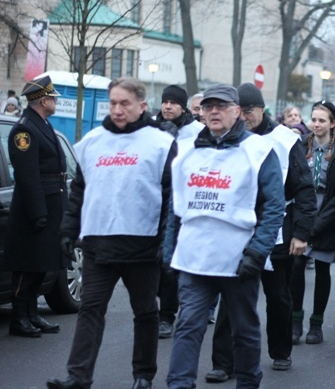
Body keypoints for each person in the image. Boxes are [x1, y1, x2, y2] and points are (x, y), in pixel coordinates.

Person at [46, 77, 177, 389]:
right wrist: (68, 230)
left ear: (142, 106)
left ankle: (143, 375)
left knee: (145, 313)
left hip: (143, 245)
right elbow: (79, 190)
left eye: (125, 104)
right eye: (113, 103)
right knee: (90, 311)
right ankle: (78, 377)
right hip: (98, 245)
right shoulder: (93, 141)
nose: (117, 110)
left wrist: (166, 240)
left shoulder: (160, 143)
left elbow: (173, 196)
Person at [166, 84, 285, 389]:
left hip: (238, 260)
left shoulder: (259, 151)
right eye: (208, 107)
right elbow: (175, 207)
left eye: (221, 106)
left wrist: (258, 252)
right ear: (202, 113)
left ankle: (247, 383)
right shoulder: (186, 152)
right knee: (188, 326)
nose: (214, 112)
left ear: (236, 112)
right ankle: (179, 384)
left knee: (244, 330)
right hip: (194, 259)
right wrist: (169, 251)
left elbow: (274, 206)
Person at [205, 82, 315, 382]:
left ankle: (280, 351)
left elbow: (304, 190)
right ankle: (223, 362)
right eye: (239, 111)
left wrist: (301, 233)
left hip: (277, 228)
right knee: (231, 298)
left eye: (249, 111)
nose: (244, 117)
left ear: (261, 109)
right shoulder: (227, 140)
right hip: (236, 229)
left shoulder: (284, 141)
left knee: (278, 295)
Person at [0, 76, 67, 338]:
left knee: (42, 264)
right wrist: (39, 211)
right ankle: (19, 317)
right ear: (43, 100)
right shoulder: (24, 130)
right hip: (35, 208)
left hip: (51, 202)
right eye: (53, 98)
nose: (55, 102)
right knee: (27, 266)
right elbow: (27, 176)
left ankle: (32, 313)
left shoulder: (43, 124)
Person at [290, 100, 335, 345]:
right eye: (313, 119)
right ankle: (296, 321)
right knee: (296, 266)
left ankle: (316, 324)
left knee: (323, 269)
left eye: (321, 120)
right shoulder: (300, 145)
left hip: (328, 214)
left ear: (333, 124)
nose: (316, 124)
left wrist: (322, 220)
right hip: (302, 212)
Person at [154, 85, 204, 340]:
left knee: (169, 261)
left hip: (180, 203)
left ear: (183, 107)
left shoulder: (195, 132)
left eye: (173, 103)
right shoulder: (151, 128)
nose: (168, 107)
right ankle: (152, 312)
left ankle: (167, 315)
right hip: (152, 201)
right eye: (165, 102)